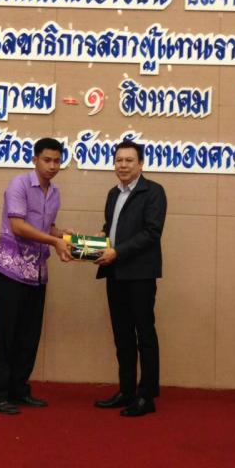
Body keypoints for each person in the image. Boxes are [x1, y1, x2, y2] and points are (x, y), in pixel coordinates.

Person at [0, 138, 72, 415]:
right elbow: (19, 226)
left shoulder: (55, 193)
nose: (52, 166)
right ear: (35, 159)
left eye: (57, 161)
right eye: (47, 160)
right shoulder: (19, 184)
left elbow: (48, 228)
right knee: (5, 335)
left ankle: (19, 390)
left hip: (37, 274)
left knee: (28, 335)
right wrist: (54, 241)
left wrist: (66, 237)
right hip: (10, 271)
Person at [93, 140, 167, 417]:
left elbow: (152, 232)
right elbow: (111, 226)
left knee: (144, 334)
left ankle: (146, 396)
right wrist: (102, 238)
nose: (122, 165)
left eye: (129, 160)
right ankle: (126, 391)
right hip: (115, 272)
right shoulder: (113, 193)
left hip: (140, 274)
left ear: (141, 164)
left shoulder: (154, 192)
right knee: (122, 334)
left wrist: (117, 251)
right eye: (119, 160)